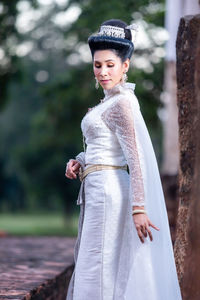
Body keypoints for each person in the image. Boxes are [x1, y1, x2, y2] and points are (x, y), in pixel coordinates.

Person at [65, 19, 182, 300]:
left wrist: (139, 207)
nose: (103, 71)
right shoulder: (108, 102)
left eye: (110, 65)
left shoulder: (123, 103)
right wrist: (79, 160)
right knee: (93, 257)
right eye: (97, 65)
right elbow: (103, 147)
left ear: (125, 66)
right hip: (96, 188)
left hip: (109, 192)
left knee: (101, 260)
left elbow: (136, 158)